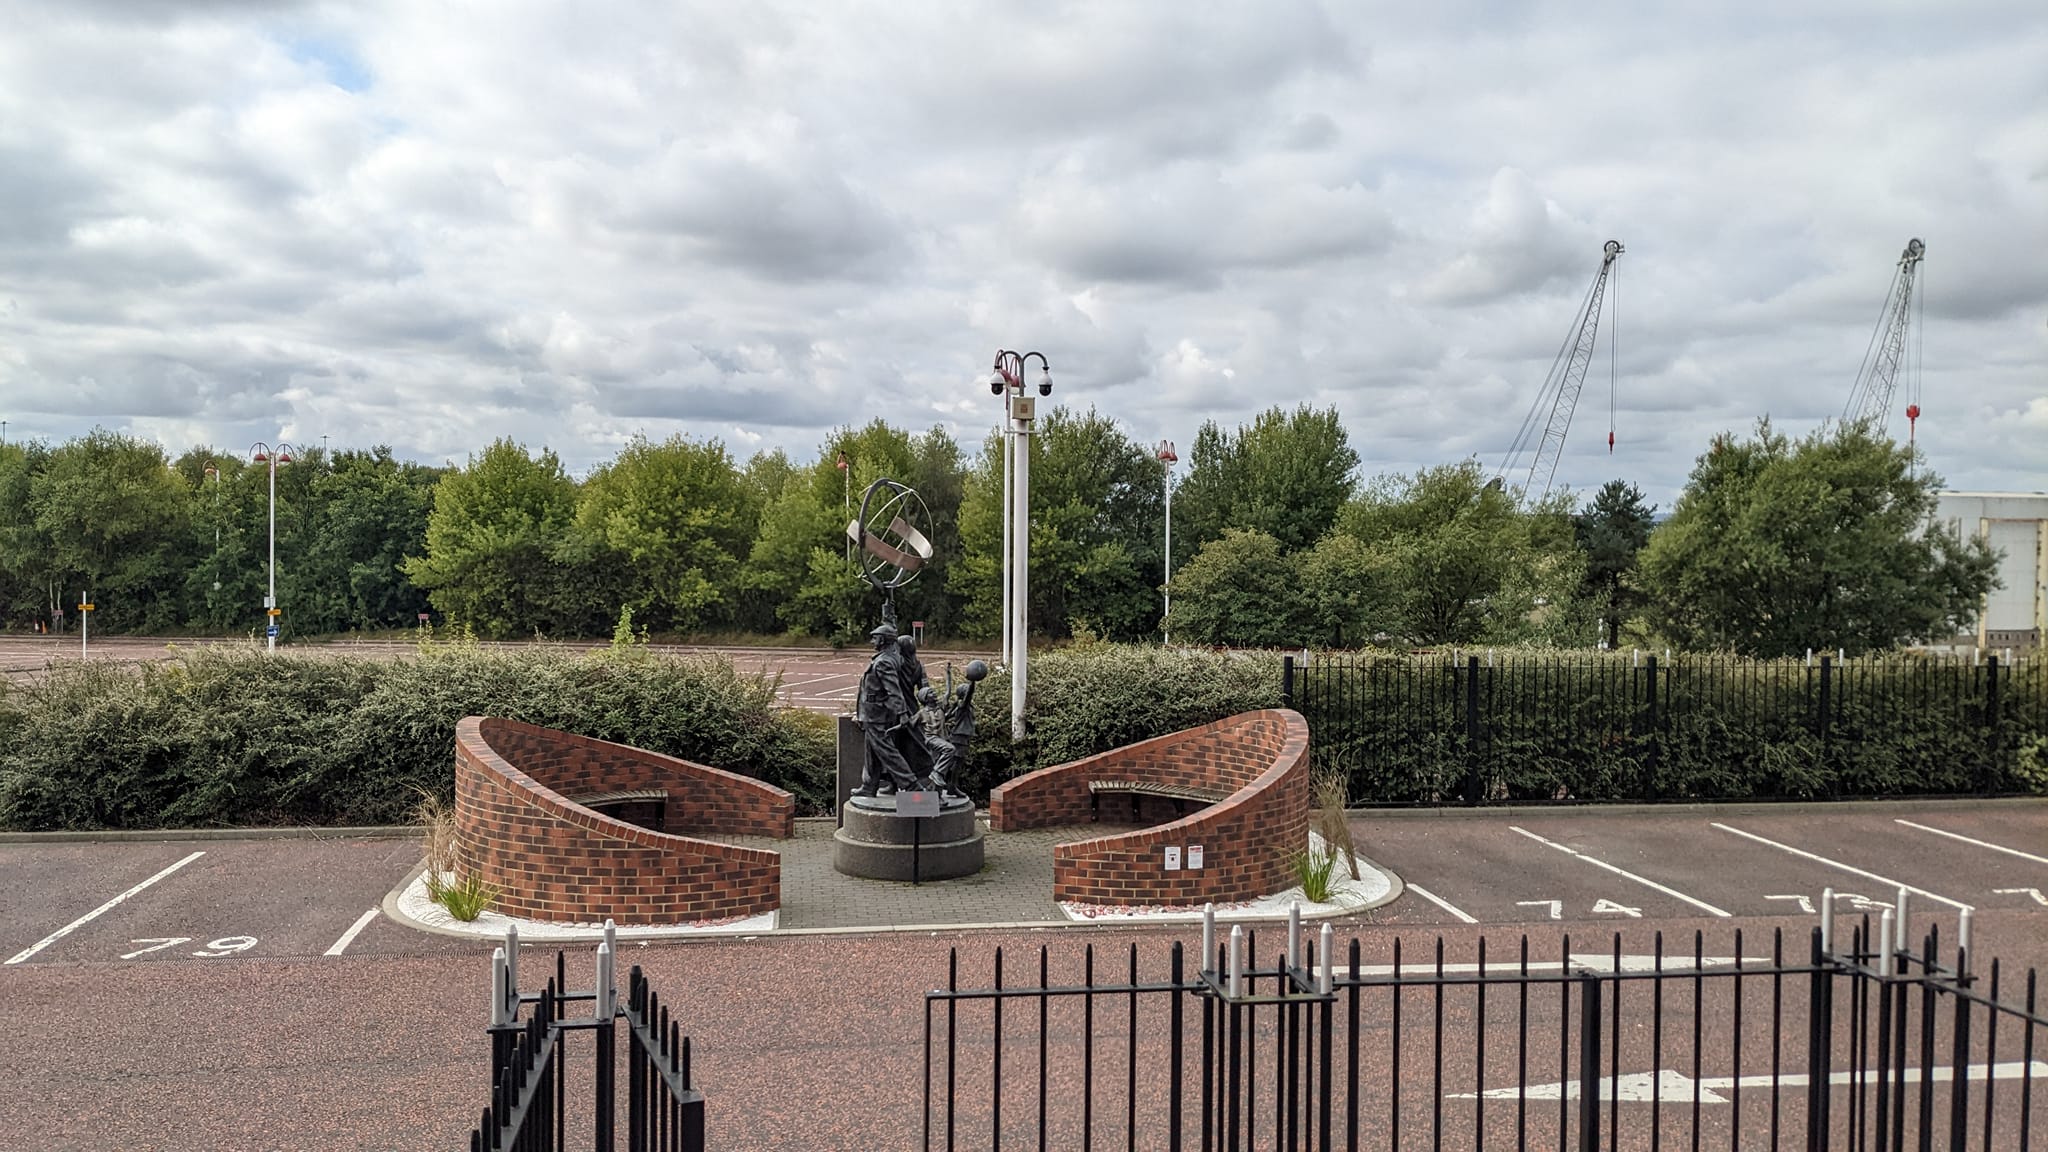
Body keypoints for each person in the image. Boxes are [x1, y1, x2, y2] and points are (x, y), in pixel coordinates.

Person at [852, 622, 917, 797]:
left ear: (883, 640)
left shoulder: (884, 662)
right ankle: (869, 786)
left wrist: (902, 713)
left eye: (875, 637)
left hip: (877, 716)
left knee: (887, 752)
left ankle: (912, 786)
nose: (872, 640)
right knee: (871, 751)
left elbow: (893, 690)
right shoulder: (887, 658)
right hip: (872, 714)